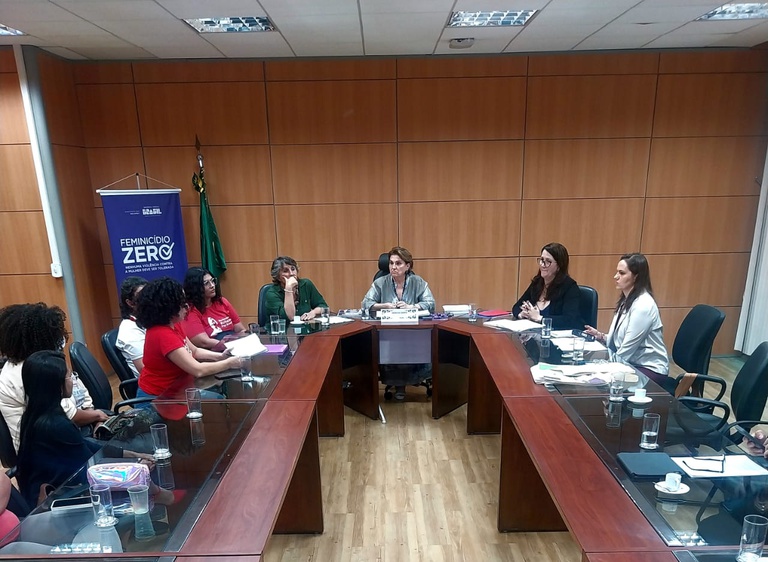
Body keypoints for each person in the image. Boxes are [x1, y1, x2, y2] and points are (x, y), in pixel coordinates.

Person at [16, 350, 158, 509]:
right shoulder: (55, 425)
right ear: (56, 385)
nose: (73, 381)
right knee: (147, 481)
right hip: (61, 500)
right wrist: (135, 467)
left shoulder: (37, 415)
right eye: (69, 376)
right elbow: (91, 470)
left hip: (60, 487)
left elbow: (85, 446)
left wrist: (133, 455)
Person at [0, 303, 107, 452]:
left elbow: (80, 392)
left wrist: (94, 416)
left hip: (73, 432)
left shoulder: (47, 362)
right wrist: (96, 416)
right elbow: (69, 416)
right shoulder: (31, 372)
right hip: (47, 450)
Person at [135, 277, 241, 401]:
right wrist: (229, 363)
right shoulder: (161, 334)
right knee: (220, 402)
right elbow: (198, 370)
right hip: (159, 400)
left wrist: (221, 357)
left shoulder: (174, 324)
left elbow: (194, 351)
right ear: (168, 307)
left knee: (221, 397)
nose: (187, 307)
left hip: (179, 390)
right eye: (182, 303)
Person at [584, 253, 670, 387]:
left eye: (622, 273)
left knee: (601, 383)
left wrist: (600, 367)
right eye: (617, 272)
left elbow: (626, 352)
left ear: (636, 277)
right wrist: (601, 336)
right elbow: (621, 341)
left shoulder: (643, 305)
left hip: (648, 370)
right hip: (631, 364)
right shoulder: (627, 300)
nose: (616, 276)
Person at [362, 246, 435, 401]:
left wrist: (411, 307)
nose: (393, 267)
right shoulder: (380, 282)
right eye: (391, 263)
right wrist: (385, 305)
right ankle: (398, 384)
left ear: (408, 266)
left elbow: (430, 304)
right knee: (394, 345)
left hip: (414, 332)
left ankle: (414, 378)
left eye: (398, 263)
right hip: (388, 331)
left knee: (415, 344)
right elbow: (366, 303)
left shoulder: (418, 282)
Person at [512, 242, 583, 330]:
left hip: (559, 336)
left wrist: (540, 318)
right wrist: (522, 314)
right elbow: (516, 307)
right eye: (542, 260)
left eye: (548, 261)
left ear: (559, 266)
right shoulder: (537, 283)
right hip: (535, 335)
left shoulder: (570, 287)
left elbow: (569, 320)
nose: (542, 265)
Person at [182, 267, 246, 351]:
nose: (212, 285)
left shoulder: (222, 302)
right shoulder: (190, 310)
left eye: (212, 281)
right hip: (212, 353)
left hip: (233, 347)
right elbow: (203, 342)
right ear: (195, 287)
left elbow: (241, 330)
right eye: (206, 283)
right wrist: (229, 345)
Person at [263, 256, 329, 322]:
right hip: (281, 328)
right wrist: (289, 288)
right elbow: (290, 316)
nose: (291, 273)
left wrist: (313, 312)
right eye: (285, 271)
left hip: (304, 327)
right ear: (278, 277)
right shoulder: (272, 293)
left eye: (293, 269)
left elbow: (324, 307)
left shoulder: (306, 284)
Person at [115, 276, 148, 378]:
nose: (148, 299)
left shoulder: (146, 320)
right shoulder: (129, 331)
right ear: (130, 303)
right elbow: (146, 370)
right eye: (142, 296)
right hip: (152, 384)